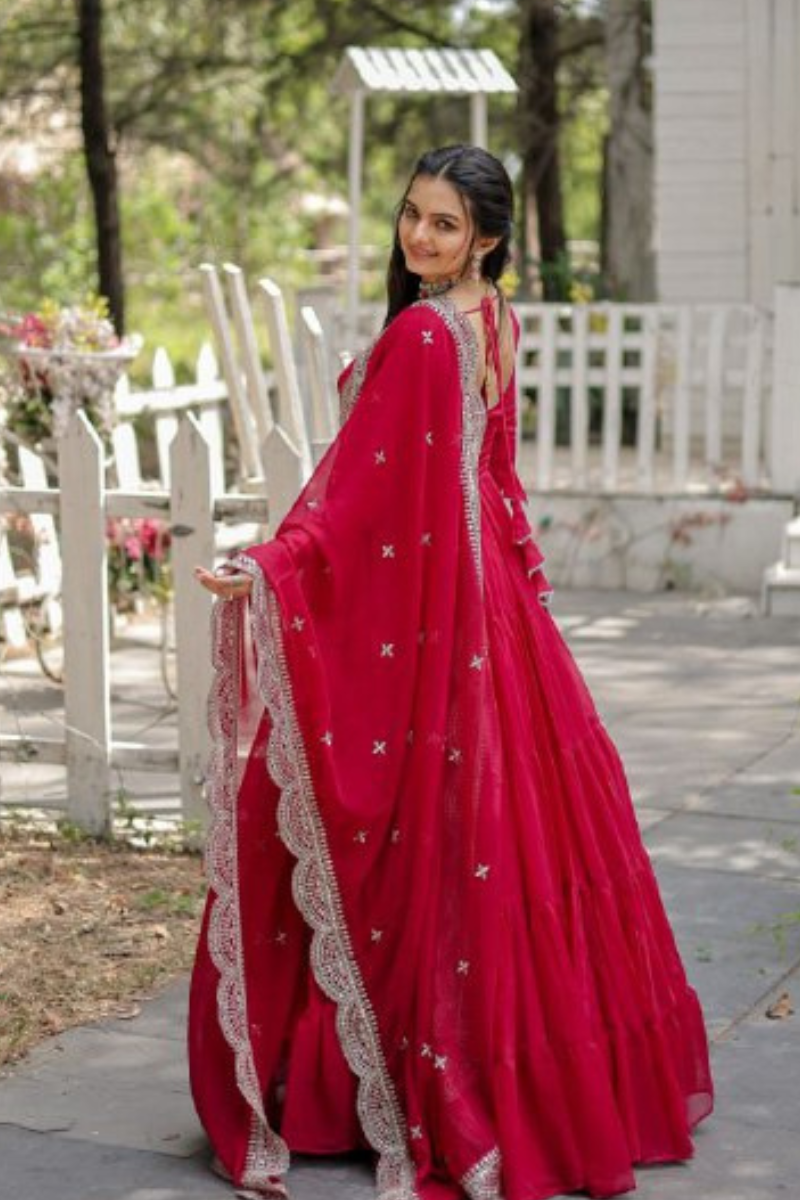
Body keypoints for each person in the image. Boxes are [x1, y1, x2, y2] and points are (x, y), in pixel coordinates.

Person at [189, 144, 713, 1200]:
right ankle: (525, 1085)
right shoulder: (491, 318)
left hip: (444, 622)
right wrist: (518, 583)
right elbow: (489, 480)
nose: (419, 237)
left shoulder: (427, 334)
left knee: (403, 844)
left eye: (444, 224)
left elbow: (360, 508)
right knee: (488, 852)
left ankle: (392, 1081)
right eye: (411, 215)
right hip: (490, 617)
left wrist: (270, 565)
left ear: (485, 239)